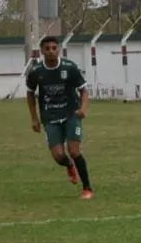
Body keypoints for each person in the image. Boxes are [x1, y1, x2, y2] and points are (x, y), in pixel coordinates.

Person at [26, 35, 95, 199]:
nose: (51, 51)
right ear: (42, 51)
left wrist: (83, 109)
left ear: (59, 50)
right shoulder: (36, 71)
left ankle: (87, 189)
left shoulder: (69, 67)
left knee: (74, 150)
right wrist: (34, 118)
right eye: (47, 48)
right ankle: (69, 166)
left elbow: (84, 90)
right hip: (50, 116)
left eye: (54, 48)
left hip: (71, 113)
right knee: (58, 156)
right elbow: (30, 94)